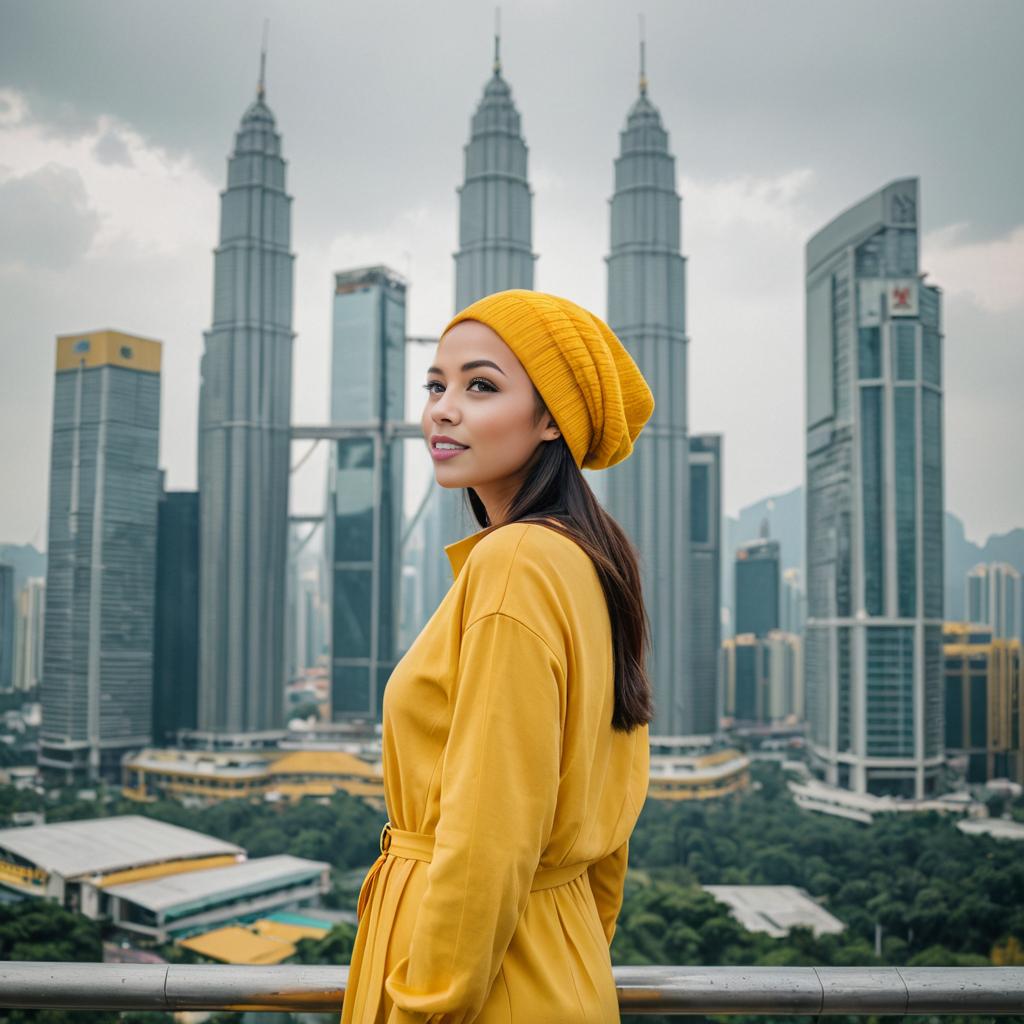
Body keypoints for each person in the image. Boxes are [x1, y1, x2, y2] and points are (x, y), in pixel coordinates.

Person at [340, 289, 655, 1024]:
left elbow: (489, 828)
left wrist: (426, 1006)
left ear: (552, 419)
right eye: (436, 385)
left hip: (479, 989)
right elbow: (612, 819)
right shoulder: (590, 559)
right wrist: (572, 944)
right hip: (556, 960)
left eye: (480, 386)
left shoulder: (513, 562)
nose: (443, 409)